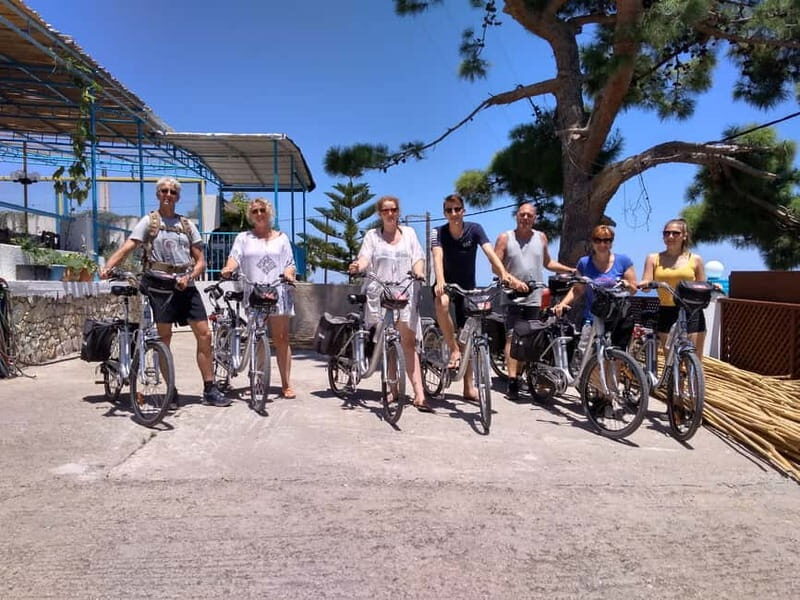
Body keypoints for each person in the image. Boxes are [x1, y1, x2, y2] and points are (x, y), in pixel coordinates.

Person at [100, 176, 230, 407]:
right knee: (164, 339)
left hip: (186, 285)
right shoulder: (149, 222)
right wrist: (108, 267)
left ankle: (210, 389)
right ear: (158, 195)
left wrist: (189, 276)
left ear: (178, 197)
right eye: (164, 191)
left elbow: (201, 261)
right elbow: (128, 247)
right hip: (159, 287)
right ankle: (170, 391)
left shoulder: (187, 225)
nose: (168, 195)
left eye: (172, 192)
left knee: (205, 335)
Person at [431, 193, 524, 401]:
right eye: (449, 210)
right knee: (442, 302)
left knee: (469, 334)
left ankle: (468, 387)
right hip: (446, 284)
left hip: (468, 289)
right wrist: (439, 281)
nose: (453, 214)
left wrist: (505, 275)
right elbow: (437, 257)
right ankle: (453, 349)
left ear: (463, 210)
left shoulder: (475, 229)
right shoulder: (437, 232)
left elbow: (490, 253)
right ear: (444, 213)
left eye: (457, 209)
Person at [348, 196, 430, 411]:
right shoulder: (372, 236)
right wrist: (358, 266)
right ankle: (393, 389)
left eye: (393, 209)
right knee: (388, 343)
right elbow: (365, 258)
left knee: (409, 343)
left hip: (405, 292)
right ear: (379, 214)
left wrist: (419, 272)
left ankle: (419, 393)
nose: (390, 213)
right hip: (381, 293)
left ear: (398, 211)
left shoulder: (409, 234)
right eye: (385, 210)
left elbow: (418, 257)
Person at [494, 203, 575, 399]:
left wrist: (570, 270)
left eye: (529, 215)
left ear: (535, 218)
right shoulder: (505, 238)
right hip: (512, 296)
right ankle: (512, 381)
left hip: (534, 297)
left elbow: (548, 263)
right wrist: (512, 281)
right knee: (513, 337)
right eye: (522, 214)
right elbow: (495, 267)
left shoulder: (541, 238)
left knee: (529, 338)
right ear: (516, 216)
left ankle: (522, 375)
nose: (525, 218)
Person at [220, 198, 297, 398]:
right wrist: (229, 268)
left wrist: (289, 273)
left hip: (277, 292)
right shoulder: (243, 238)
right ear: (250, 215)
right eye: (255, 211)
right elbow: (234, 257)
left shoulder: (282, 238)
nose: (259, 214)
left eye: (262, 210)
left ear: (269, 212)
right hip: (254, 292)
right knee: (257, 335)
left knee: (282, 339)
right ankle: (259, 377)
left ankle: (286, 383)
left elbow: (289, 262)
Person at [553, 224, 637, 347]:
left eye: (607, 240)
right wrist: (563, 304)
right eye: (598, 240)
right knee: (590, 358)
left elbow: (634, 289)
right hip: (593, 317)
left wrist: (627, 284)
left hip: (618, 317)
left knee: (616, 357)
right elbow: (577, 289)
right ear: (592, 242)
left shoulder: (623, 261)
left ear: (611, 242)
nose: (602, 244)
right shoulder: (584, 263)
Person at [639, 218, 708, 357]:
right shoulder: (653, 258)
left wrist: (710, 287)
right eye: (666, 233)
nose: (670, 236)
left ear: (684, 235)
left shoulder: (695, 259)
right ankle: (675, 380)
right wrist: (645, 284)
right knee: (671, 360)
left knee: (694, 360)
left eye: (675, 233)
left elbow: (702, 286)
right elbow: (646, 284)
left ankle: (695, 379)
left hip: (692, 312)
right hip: (667, 310)